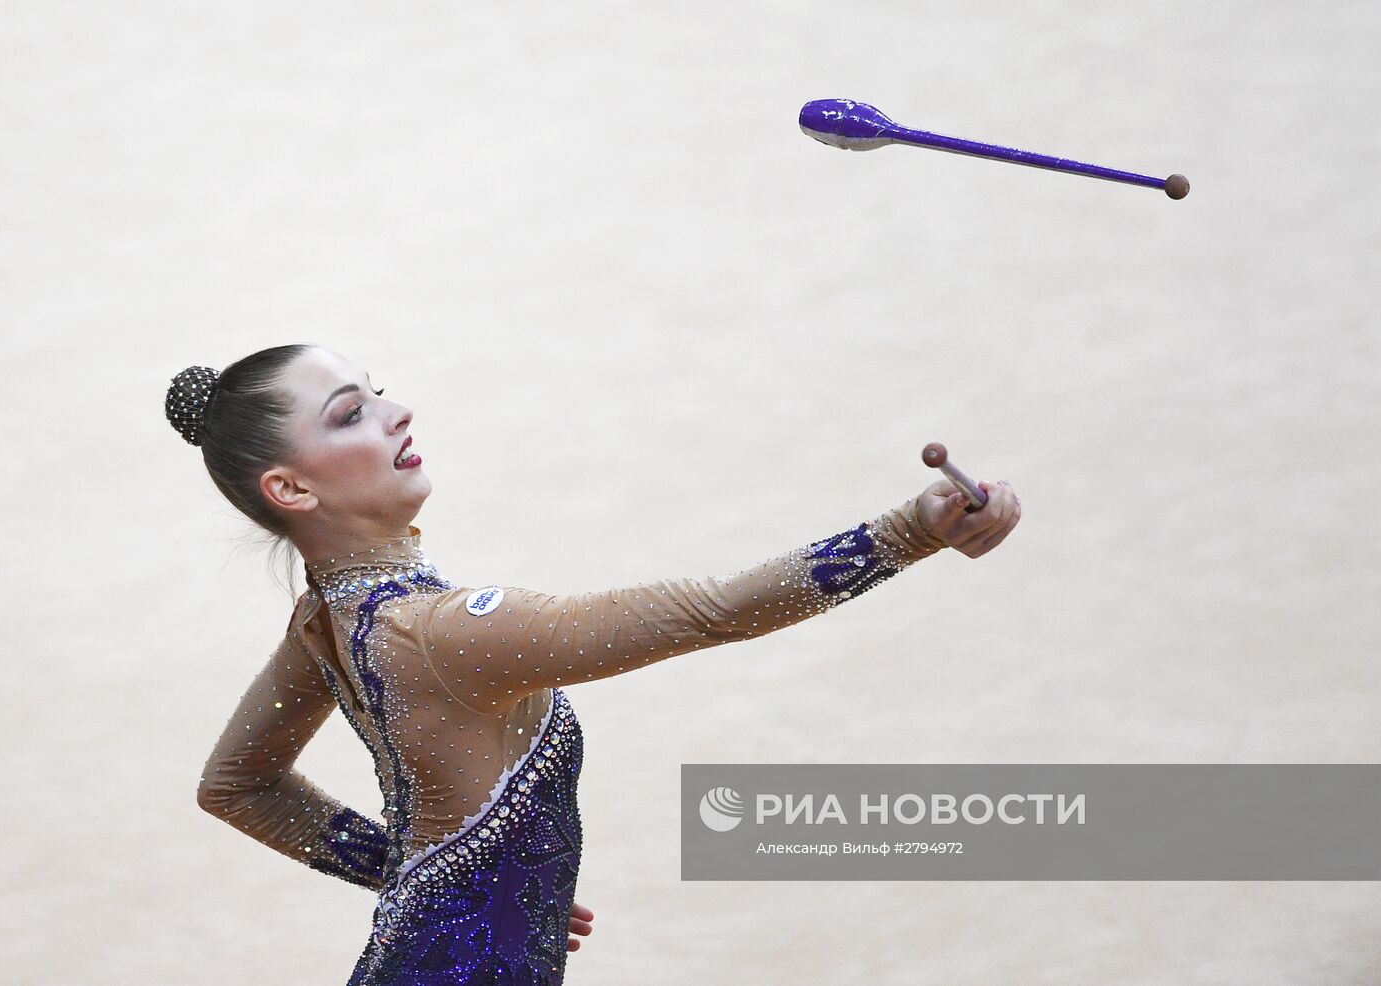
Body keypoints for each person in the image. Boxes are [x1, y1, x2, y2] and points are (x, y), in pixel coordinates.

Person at [170, 343, 1021, 984]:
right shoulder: (443, 633)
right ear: (292, 490)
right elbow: (714, 611)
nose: (398, 415)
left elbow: (238, 785)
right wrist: (911, 532)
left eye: (379, 395)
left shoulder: (326, 620)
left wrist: (405, 874)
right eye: (351, 414)